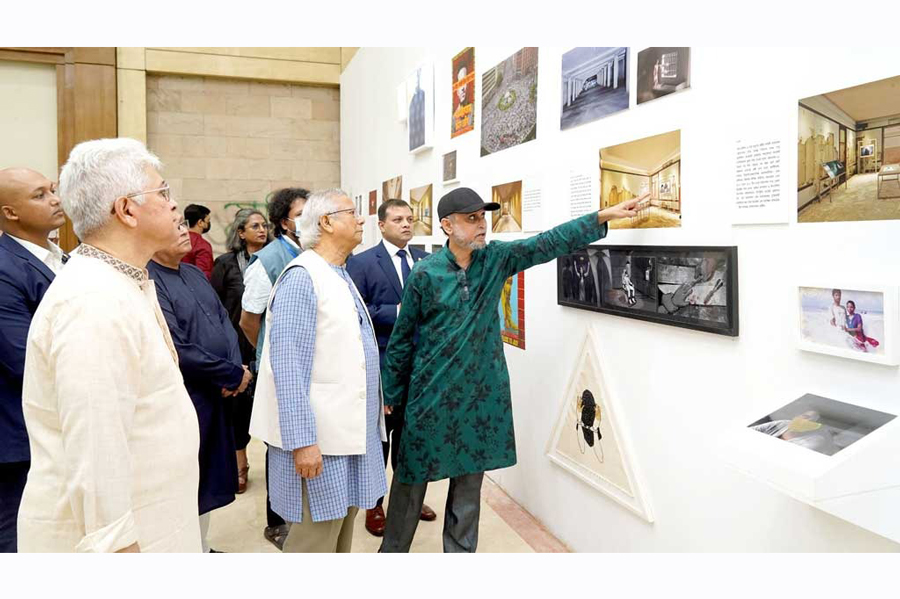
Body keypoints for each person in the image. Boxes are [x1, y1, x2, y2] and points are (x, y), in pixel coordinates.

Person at [379, 187, 639, 553]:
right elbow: (402, 339)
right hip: (431, 396)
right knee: (410, 482)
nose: (481, 225)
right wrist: (392, 393)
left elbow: (546, 244)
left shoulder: (496, 259)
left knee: (468, 490)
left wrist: (600, 217)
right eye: (472, 219)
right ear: (447, 226)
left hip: (482, 398)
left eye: (482, 217)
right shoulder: (425, 274)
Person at [18, 138, 201, 552]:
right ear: (126, 209)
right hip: (123, 544)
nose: (175, 206)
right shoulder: (92, 299)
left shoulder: (119, 279)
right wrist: (117, 548)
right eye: (163, 193)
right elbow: (95, 443)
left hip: (155, 516)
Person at [250, 189, 387, 553]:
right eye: (352, 213)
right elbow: (288, 368)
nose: (361, 219)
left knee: (340, 534)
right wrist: (302, 442)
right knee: (314, 542)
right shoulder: (302, 278)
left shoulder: (337, 273)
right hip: (321, 442)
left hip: (347, 432)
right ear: (326, 222)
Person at [148, 223, 252, 553]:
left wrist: (236, 372)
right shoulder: (149, 280)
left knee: (206, 479)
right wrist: (228, 374)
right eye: (175, 227)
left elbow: (224, 321)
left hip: (218, 393)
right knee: (184, 482)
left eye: (184, 227)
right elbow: (176, 347)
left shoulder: (193, 273)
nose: (185, 234)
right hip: (187, 398)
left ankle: (201, 548)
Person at [346, 198, 435, 537]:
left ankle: (407, 501)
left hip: (423, 372)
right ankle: (375, 504)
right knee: (381, 442)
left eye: (410, 218)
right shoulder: (364, 263)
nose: (406, 224)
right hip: (385, 369)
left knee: (412, 442)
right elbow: (356, 311)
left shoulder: (426, 261)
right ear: (381, 225)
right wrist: (397, 313)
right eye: (398, 219)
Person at [0, 168, 67, 553]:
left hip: (59, 425)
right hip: (19, 436)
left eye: (53, 191)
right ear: (10, 213)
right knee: (18, 539)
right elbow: (24, 359)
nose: (55, 199)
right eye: (40, 195)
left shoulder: (63, 258)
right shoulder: (5, 268)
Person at [239, 187, 308, 550]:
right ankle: (276, 521)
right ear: (286, 221)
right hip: (277, 369)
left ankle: (300, 513)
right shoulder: (268, 260)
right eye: (304, 212)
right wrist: (267, 356)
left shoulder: (312, 253)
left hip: (306, 368)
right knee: (278, 444)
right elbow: (249, 319)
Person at [211, 208, 269, 494]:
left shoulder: (273, 262)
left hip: (265, 343)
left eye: (265, 225)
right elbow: (217, 308)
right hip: (235, 344)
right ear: (241, 232)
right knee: (237, 409)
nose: (262, 230)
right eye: (255, 226)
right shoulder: (224, 264)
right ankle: (240, 465)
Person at [182, 203, 214, 279]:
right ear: (200, 222)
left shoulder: (175, 240)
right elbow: (203, 274)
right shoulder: (202, 245)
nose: (208, 223)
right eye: (207, 220)